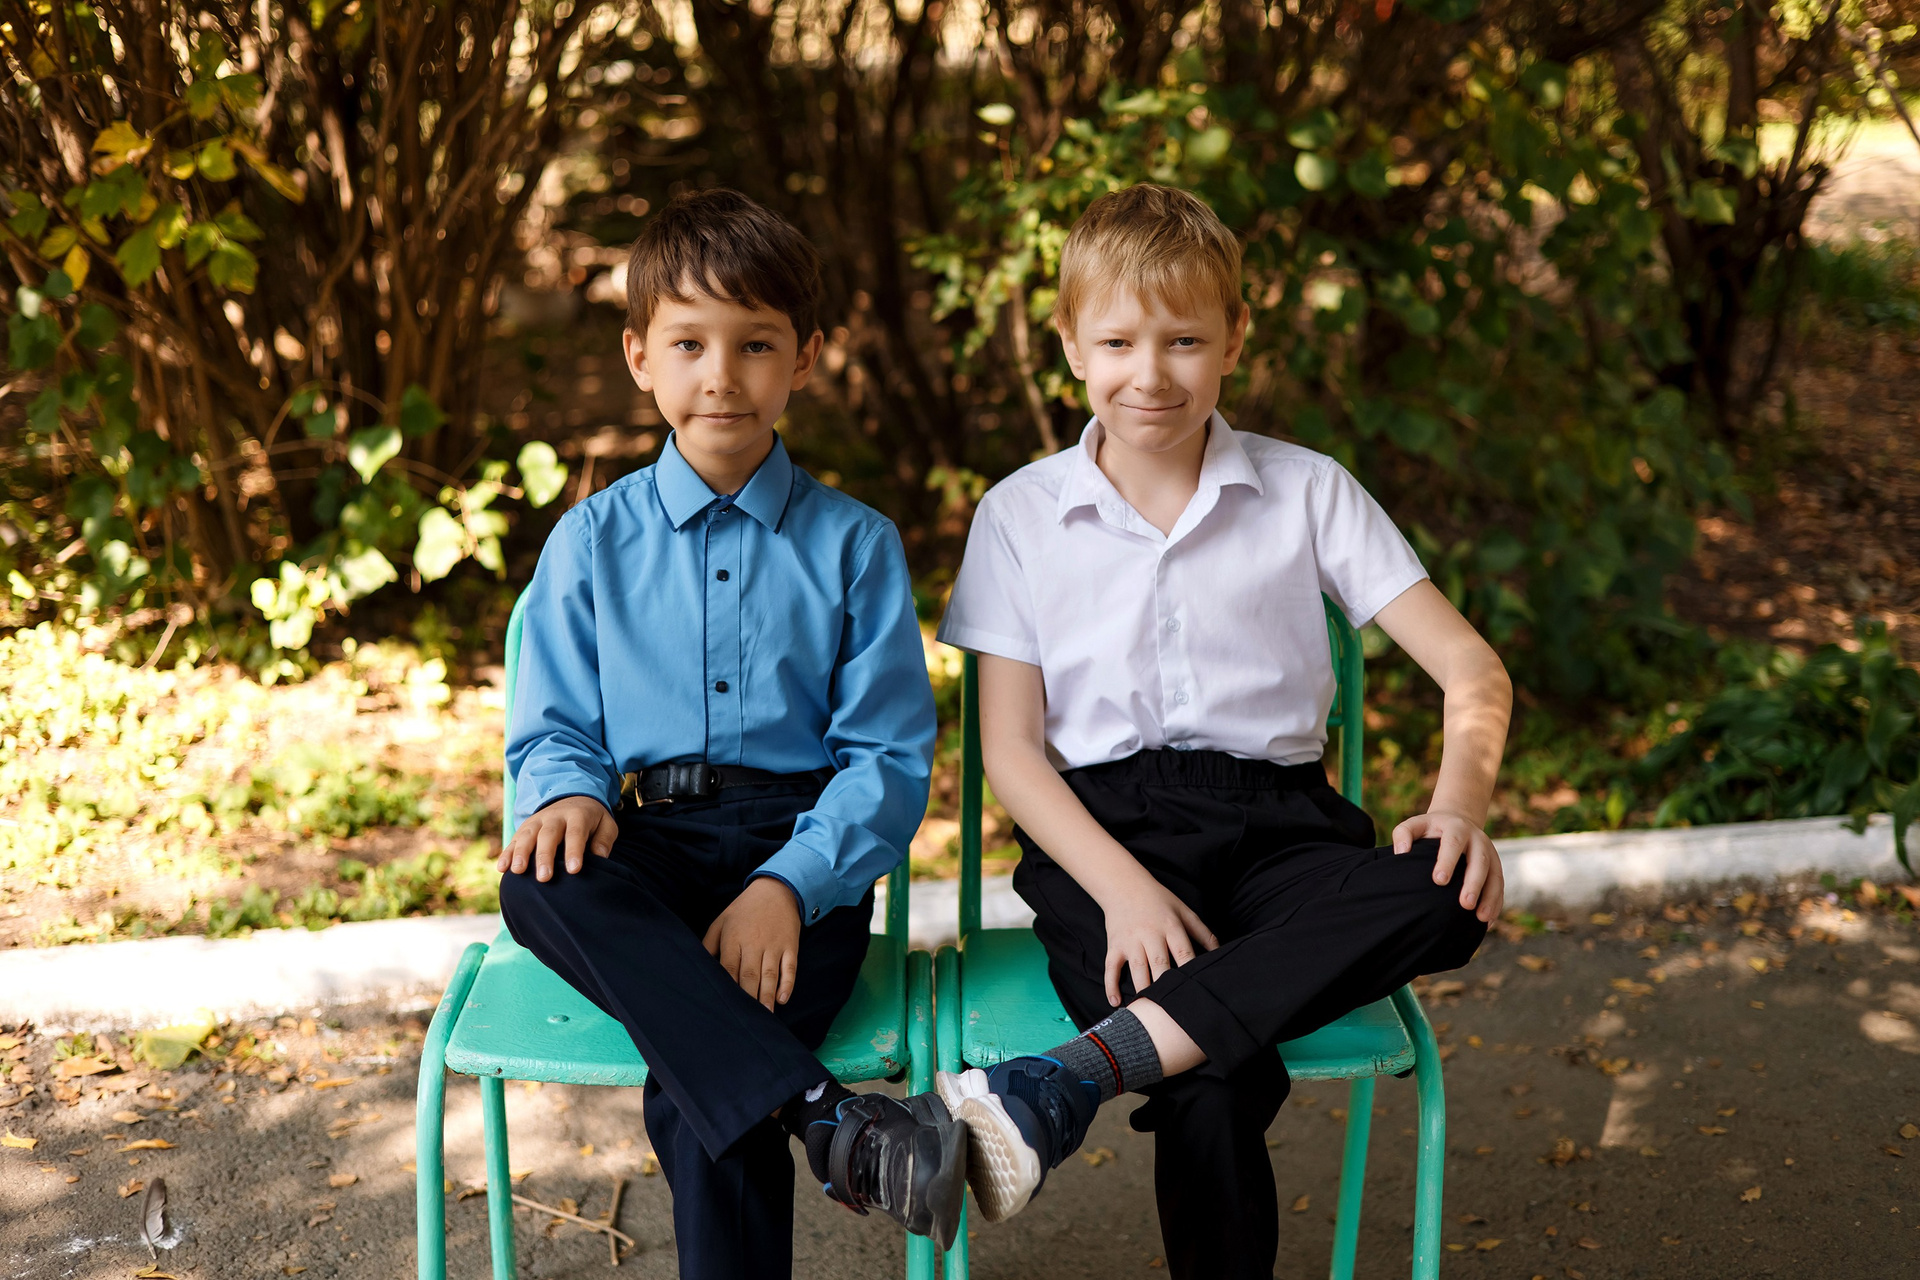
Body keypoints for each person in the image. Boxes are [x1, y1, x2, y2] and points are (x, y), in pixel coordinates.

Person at [934, 183, 1510, 1279]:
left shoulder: (1308, 491)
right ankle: (1110, 1059)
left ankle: (1070, 1077)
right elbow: (1009, 749)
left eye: (1185, 340)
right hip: (1104, 840)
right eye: (1118, 341)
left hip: (1284, 829)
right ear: (1071, 345)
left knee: (1446, 888)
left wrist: (1457, 808)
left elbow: (1471, 668)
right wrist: (1124, 890)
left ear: (1236, 338)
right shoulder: (1018, 515)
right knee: (1211, 1071)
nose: (1150, 374)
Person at [498, 188, 965, 1277]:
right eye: (689, 343)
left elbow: (889, 760)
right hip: (650, 845)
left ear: (804, 358)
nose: (721, 374)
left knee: (697, 1092)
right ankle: (828, 1116)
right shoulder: (589, 543)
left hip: (802, 850)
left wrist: (788, 886)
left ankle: (807, 1111)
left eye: (755, 344)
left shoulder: (855, 545)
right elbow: (556, 725)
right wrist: (568, 792)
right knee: (537, 883)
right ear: (639, 357)